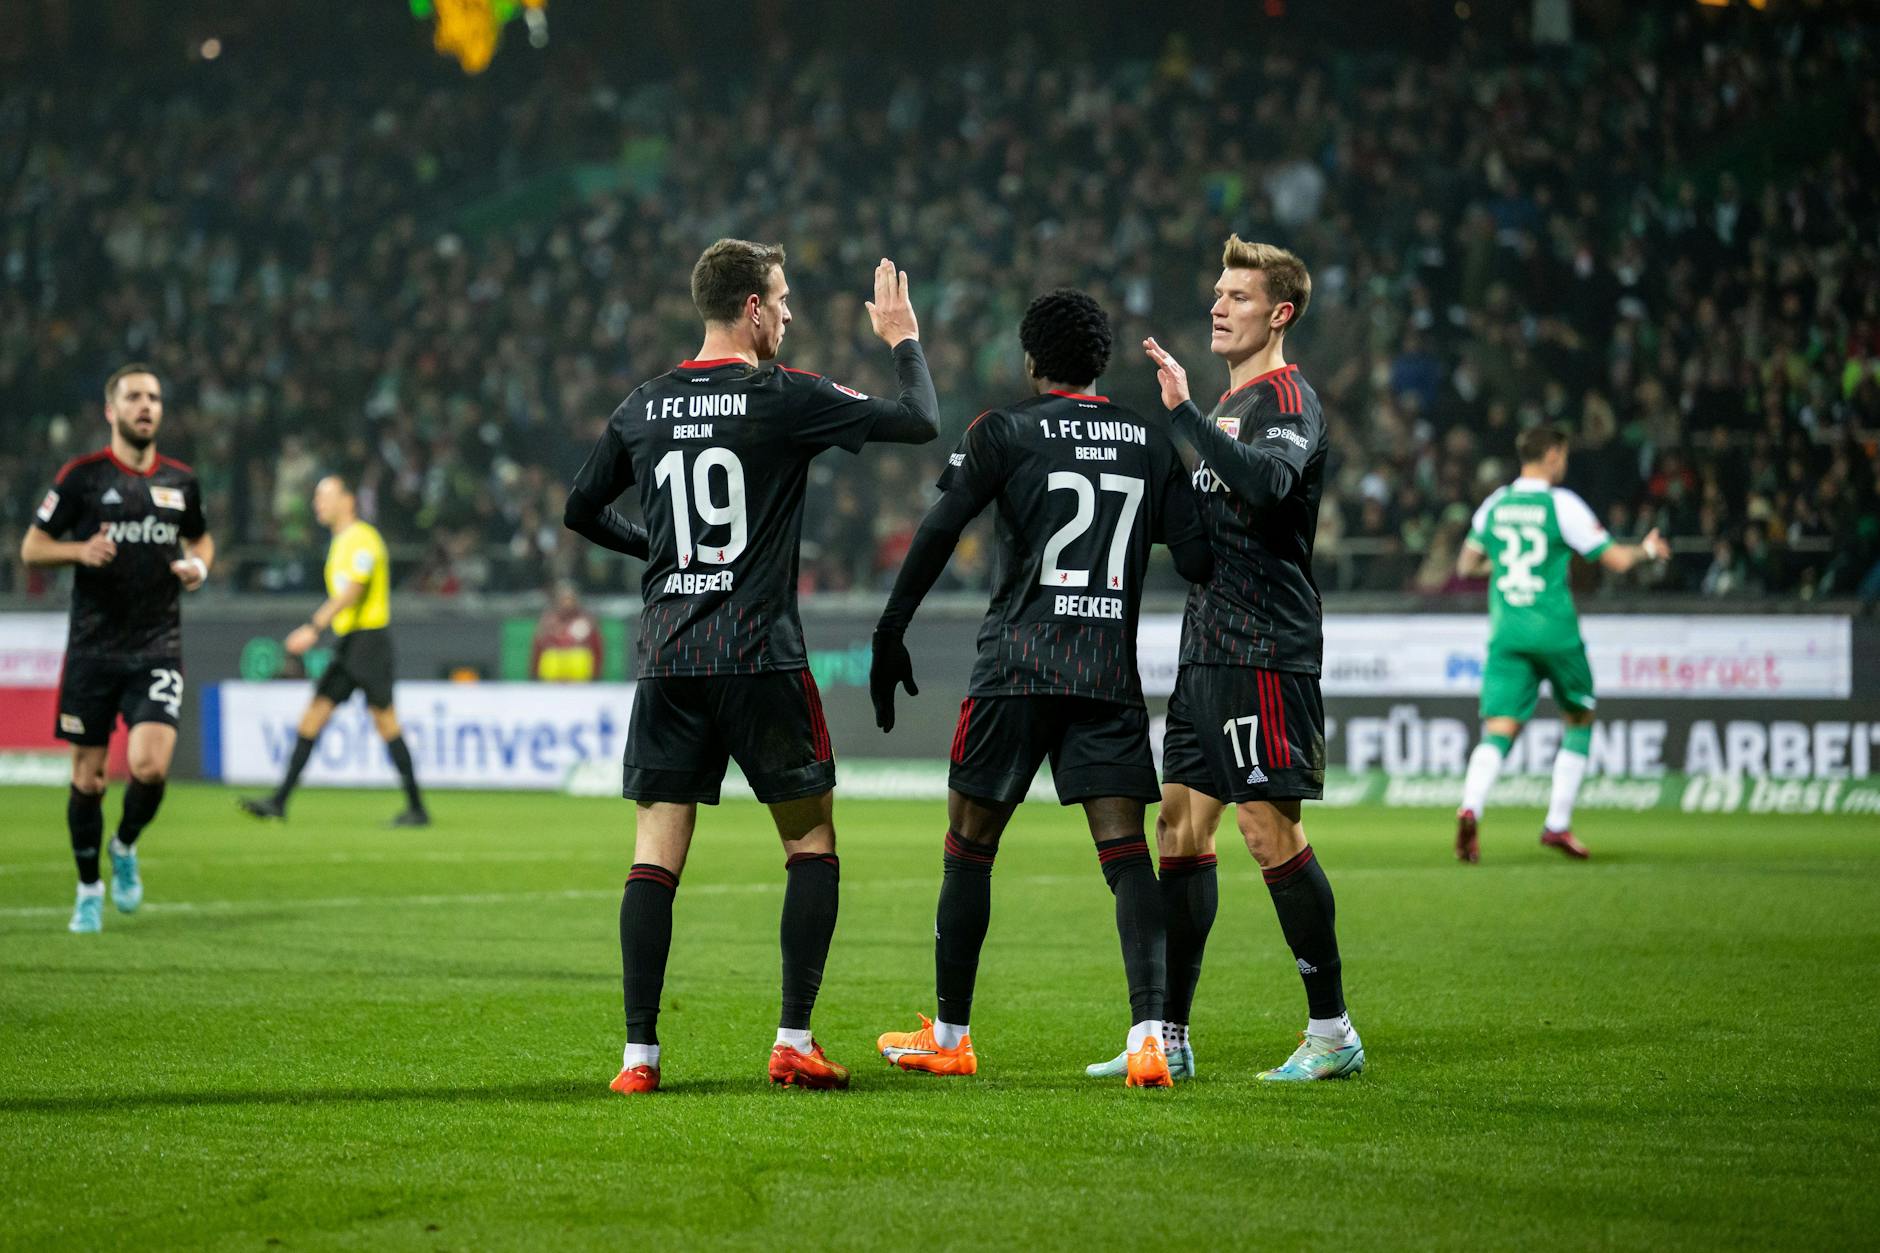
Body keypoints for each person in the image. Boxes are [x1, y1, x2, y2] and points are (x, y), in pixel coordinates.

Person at [564, 241, 939, 1095]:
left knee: (654, 858)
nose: (791, 314)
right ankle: (793, 1039)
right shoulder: (783, 395)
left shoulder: (645, 403)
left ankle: (638, 1059)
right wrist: (902, 338)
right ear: (753, 309)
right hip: (760, 657)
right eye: (784, 299)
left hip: (671, 660)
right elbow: (919, 417)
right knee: (812, 843)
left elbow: (579, 508)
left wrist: (653, 549)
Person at [869, 289, 1213, 1088]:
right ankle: (1150, 1036)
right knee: (1127, 857)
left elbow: (940, 527)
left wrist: (892, 630)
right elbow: (1197, 561)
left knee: (969, 848)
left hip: (1017, 666)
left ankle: (951, 1033)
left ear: (1030, 360)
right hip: (1105, 674)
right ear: (1100, 364)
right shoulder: (1148, 441)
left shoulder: (1004, 430)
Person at [1123, 236, 1364, 1082]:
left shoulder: (1288, 399)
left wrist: (1183, 415)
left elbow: (1266, 486)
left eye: (1239, 295)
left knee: (1269, 830)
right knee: (1179, 827)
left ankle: (1332, 1030)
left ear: (1281, 311)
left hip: (1266, 647)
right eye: (1217, 292)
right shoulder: (1230, 407)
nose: (1219, 306)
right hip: (1205, 648)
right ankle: (1171, 1036)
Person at [20, 364, 213, 933]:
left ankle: (124, 845)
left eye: (154, 397)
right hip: (93, 650)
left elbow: (200, 534)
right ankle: (88, 887)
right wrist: (79, 553)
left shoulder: (182, 482)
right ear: (112, 410)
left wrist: (199, 564)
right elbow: (33, 547)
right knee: (89, 780)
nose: (146, 406)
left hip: (157, 643)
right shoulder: (81, 478)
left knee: (150, 766)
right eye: (134, 397)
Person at [1454, 426, 1670, 861]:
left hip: (1507, 633)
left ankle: (1471, 805)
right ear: (1552, 455)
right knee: (1580, 717)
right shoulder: (1561, 505)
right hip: (1554, 632)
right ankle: (1556, 824)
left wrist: (1508, 568)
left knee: (1499, 730)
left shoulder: (1496, 504)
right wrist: (1647, 549)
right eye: (1564, 456)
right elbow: (1617, 561)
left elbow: (1466, 565)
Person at [239, 475, 429, 827]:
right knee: (313, 716)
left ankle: (417, 808)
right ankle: (279, 802)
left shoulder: (362, 539)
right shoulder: (340, 542)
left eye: (324, 496)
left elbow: (354, 590)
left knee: (385, 722)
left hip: (369, 642)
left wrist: (314, 626)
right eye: (316, 497)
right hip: (349, 643)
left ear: (348, 500)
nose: (317, 504)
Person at [532, 582, 603, 681]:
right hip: (552, 676)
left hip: (579, 676)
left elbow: (597, 649)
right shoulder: (549, 620)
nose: (567, 603)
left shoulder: (586, 620)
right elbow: (537, 648)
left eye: (569, 599)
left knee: (580, 656)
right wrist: (534, 674)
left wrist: (596, 674)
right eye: (563, 599)